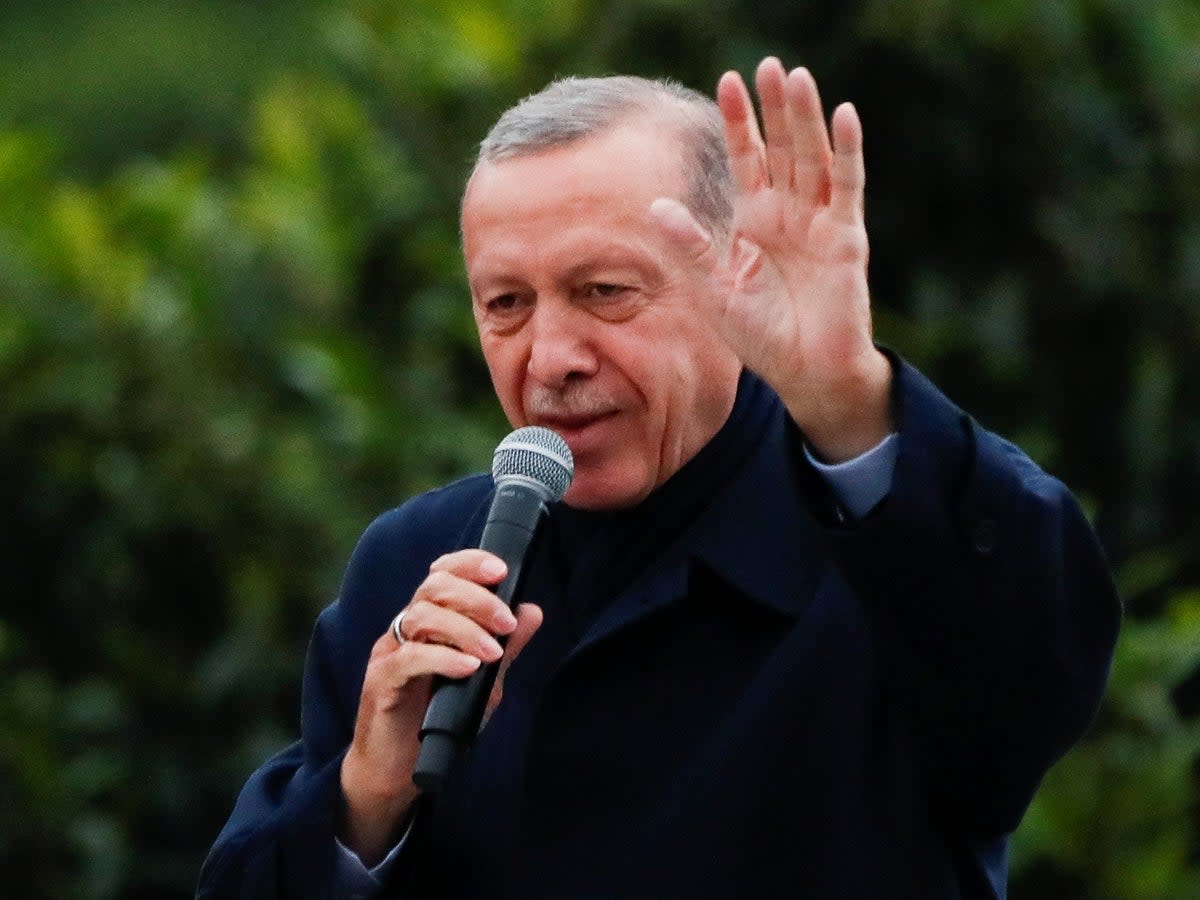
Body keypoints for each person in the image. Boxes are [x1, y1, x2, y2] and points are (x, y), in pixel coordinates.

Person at [198, 57, 1120, 899]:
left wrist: (848, 398)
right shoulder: (416, 568)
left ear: (740, 278)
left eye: (606, 291)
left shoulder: (886, 548)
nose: (551, 357)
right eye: (507, 304)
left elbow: (1041, 668)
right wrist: (366, 803)